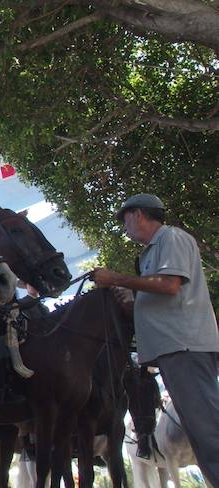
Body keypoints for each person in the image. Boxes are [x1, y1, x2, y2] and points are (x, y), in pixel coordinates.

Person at [93, 193, 219, 487]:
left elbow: (169, 285)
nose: (125, 229)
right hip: (173, 349)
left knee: (208, 428)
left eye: (124, 221)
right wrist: (133, 297)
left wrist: (117, 280)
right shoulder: (152, 251)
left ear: (137, 214)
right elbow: (160, 292)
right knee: (199, 432)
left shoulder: (170, 238)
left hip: (184, 346)